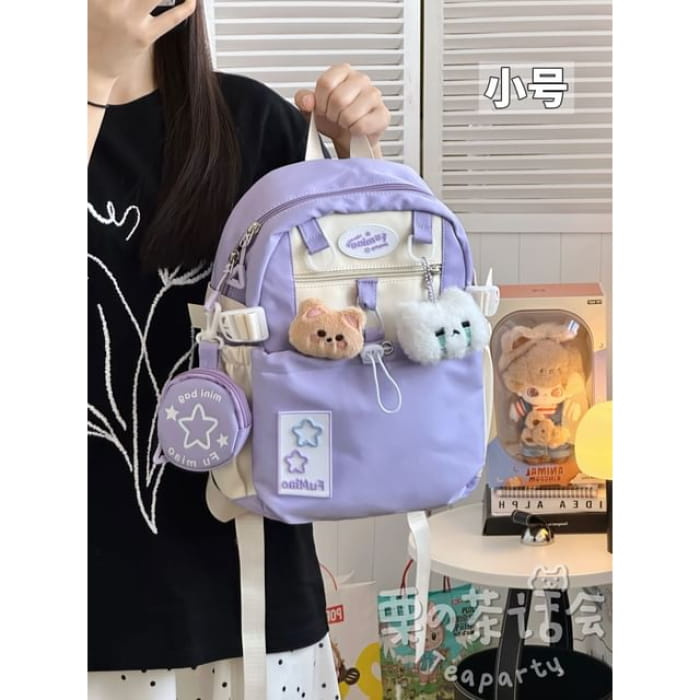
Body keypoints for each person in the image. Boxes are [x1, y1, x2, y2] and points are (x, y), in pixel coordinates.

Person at [87, 2, 390, 698]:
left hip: (251, 605)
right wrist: (89, 81)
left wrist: (353, 169)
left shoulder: (254, 124)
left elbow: (356, 335)